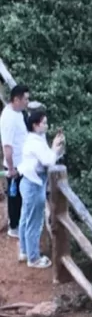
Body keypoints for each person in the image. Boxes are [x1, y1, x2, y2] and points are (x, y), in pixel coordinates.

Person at [17, 108, 65, 268]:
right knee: (34, 222)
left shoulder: (34, 139)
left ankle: (25, 251)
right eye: (44, 123)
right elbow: (49, 161)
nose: (46, 125)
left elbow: (48, 156)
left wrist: (56, 149)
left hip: (27, 182)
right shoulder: (35, 143)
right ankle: (33, 258)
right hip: (34, 185)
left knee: (26, 218)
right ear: (35, 125)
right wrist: (55, 147)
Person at [1, 83, 30, 238]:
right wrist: (11, 168)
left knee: (20, 195)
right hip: (15, 166)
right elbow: (7, 146)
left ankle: (18, 224)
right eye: (26, 99)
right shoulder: (9, 119)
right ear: (16, 100)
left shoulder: (18, 112)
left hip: (22, 164)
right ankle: (14, 227)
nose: (27, 102)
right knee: (15, 198)